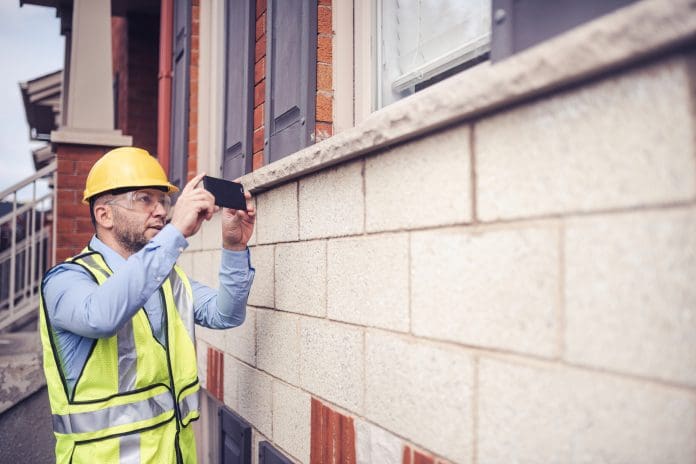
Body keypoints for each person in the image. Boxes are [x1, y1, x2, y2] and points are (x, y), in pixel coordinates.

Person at [38, 146, 255, 463]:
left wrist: (234, 247)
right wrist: (176, 232)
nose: (161, 212)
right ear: (104, 214)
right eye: (144, 199)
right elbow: (101, 316)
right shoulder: (65, 280)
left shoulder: (166, 278)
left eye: (163, 201)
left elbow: (227, 314)